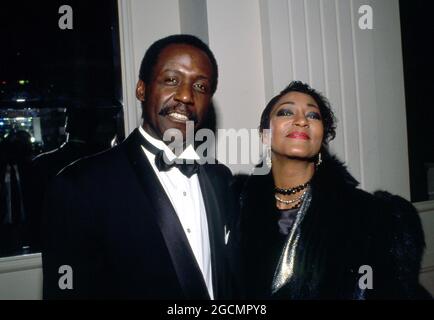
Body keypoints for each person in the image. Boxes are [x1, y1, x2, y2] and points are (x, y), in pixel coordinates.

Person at [42, 34, 238, 299]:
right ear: (141, 89)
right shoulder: (80, 185)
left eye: (201, 87)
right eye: (171, 80)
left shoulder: (220, 178)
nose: (185, 96)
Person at [239, 81, 431, 299]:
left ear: (322, 136)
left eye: (313, 115)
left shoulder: (371, 217)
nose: (301, 120)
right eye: (286, 112)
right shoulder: (234, 206)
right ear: (265, 135)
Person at [28, 106, 120, 252]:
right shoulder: (105, 163)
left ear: (67, 126)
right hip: (95, 247)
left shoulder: (41, 163)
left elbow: (34, 213)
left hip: (54, 245)